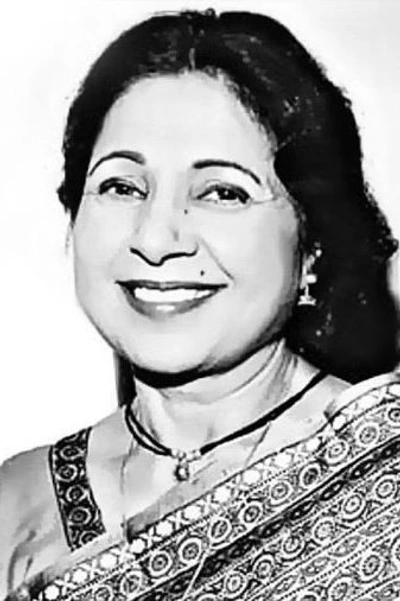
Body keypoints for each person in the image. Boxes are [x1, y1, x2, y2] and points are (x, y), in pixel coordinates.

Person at [1, 8, 400, 600]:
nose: (155, 238)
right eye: (122, 186)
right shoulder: (17, 505)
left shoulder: (382, 471)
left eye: (221, 192)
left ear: (312, 245)